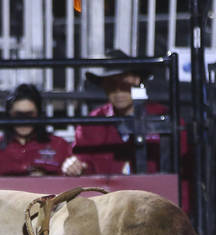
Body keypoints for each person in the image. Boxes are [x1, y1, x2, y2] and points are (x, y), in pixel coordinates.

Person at [61, 49, 169, 178]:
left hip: (155, 194)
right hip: (107, 196)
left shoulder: (163, 116)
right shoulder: (90, 125)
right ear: (104, 86)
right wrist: (74, 167)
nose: (118, 91)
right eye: (111, 84)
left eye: (123, 83)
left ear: (136, 80)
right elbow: (82, 165)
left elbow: (181, 169)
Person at [0, 84, 72, 176]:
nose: (24, 121)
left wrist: (73, 167)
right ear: (9, 115)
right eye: (18, 115)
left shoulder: (59, 146)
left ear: (39, 115)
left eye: (29, 115)